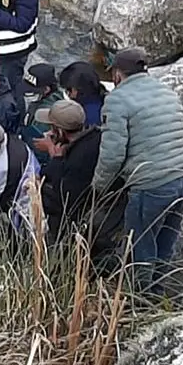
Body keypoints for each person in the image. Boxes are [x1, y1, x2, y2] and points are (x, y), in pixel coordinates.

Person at [91, 48, 183, 294]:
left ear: (117, 74)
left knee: (141, 247)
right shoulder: (165, 91)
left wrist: (99, 187)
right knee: (164, 245)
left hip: (152, 184)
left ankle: (140, 302)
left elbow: (112, 154)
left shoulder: (117, 100)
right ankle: (158, 296)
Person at [34, 100, 125, 264]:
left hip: (84, 230)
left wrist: (54, 159)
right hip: (109, 215)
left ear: (60, 131)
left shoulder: (78, 160)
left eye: (52, 128)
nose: (48, 132)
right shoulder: (96, 137)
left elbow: (64, 202)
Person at [20, 62, 66, 162]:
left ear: (46, 89)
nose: (27, 94)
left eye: (31, 91)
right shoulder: (43, 98)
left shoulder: (46, 116)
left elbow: (37, 145)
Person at [58, 61, 107, 127]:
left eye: (68, 89)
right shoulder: (100, 96)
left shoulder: (87, 117)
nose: (68, 94)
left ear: (78, 90)